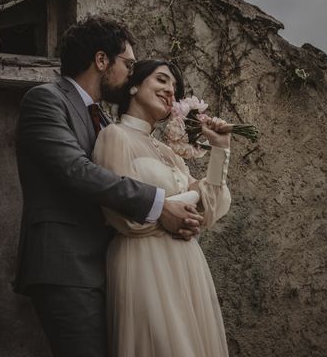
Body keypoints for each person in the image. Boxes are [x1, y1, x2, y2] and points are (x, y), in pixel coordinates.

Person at [13, 16, 203, 357]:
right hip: (66, 264)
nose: (132, 73)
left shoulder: (103, 119)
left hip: (110, 266)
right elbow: (76, 170)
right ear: (102, 61)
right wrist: (160, 205)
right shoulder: (45, 99)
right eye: (128, 64)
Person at [92, 59, 232, 357]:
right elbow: (119, 212)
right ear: (134, 85)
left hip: (187, 266)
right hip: (144, 262)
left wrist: (220, 150)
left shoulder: (171, 154)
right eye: (161, 80)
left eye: (175, 87)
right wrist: (172, 212)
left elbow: (209, 210)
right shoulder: (114, 136)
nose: (171, 90)